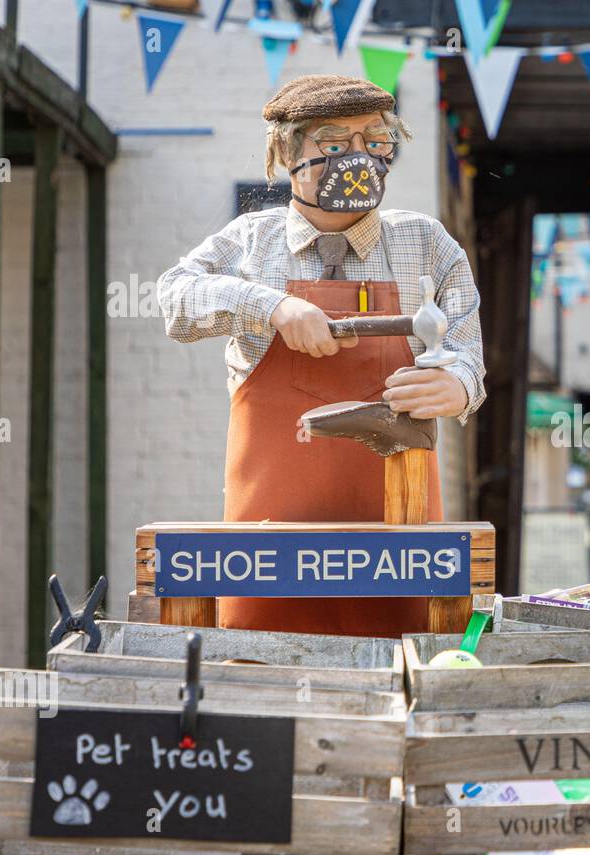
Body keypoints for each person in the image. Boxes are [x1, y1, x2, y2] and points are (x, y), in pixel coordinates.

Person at [157, 75, 485, 637]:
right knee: (260, 667)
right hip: (268, 551)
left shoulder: (427, 244)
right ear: (290, 152)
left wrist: (456, 382)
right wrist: (270, 306)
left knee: (404, 665)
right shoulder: (250, 243)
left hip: (398, 549)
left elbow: (466, 353)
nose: (360, 158)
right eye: (336, 144)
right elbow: (175, 300)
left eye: (377, 142)